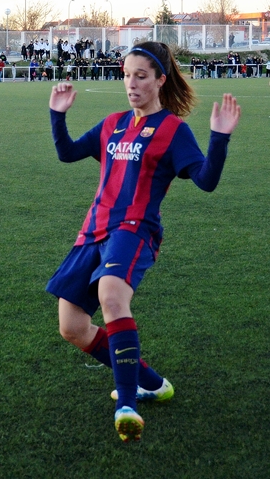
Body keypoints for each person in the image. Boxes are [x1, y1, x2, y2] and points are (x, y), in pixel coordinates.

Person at [46, 41, 241, 443]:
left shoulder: (172, 130)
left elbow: (205, 180)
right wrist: (57, 115)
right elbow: (67, 154)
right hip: (94, 230)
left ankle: (127, 403)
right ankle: (151, 382)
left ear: (159, 81)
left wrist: (219, 139)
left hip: (135, 230)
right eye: (126, 75)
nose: (131, 84)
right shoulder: (112, 123)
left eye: (141, 76)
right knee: (72, 327)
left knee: (112, 296)